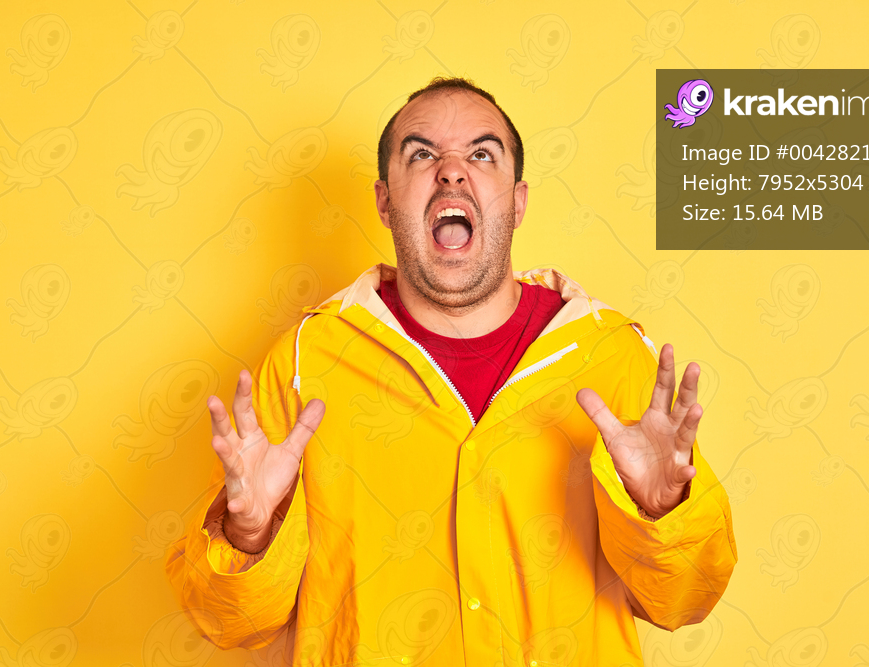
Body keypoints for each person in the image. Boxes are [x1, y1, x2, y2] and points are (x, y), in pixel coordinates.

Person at [165, 76, 737, 666]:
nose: (452, 172)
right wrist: (250, 535)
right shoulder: (304, 362)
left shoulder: (611, 356)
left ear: (517, 201)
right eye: (423, 154)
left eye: (482, 154)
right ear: (385, 201)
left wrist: (662, 513)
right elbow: (227, 627)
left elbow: (685, 601)